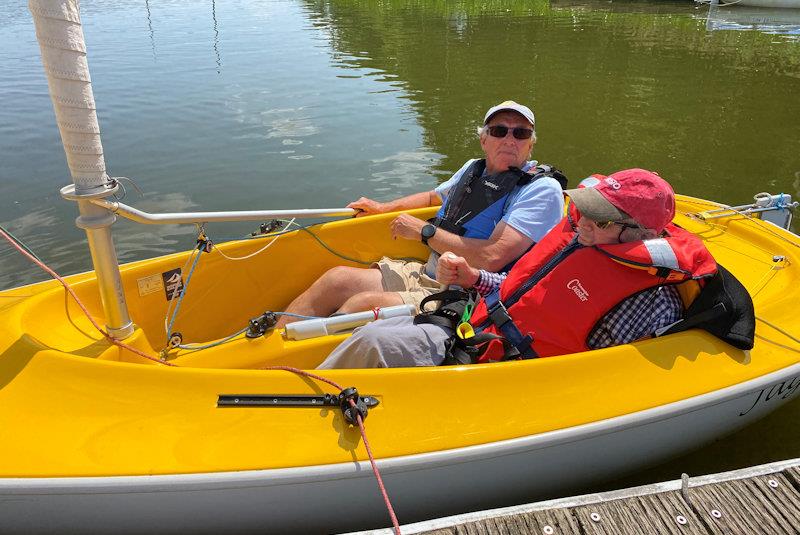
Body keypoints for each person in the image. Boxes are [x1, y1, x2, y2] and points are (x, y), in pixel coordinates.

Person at [316, 168, 717, 369]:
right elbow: (524, 284)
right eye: (587, 211)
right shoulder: (585, 240)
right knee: (373, 335)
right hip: (476, 328)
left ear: (638, 234)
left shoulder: (651, 299)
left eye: (601, 219)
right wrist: (476, 279)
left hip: (510, 368)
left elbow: (607, 372)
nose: (584, 223)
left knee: (375, 344)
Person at [276, 101, 566, 328]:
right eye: (500, 131)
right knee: (336, 280)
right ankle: (271, 345)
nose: (510, 139)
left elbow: (491, 257)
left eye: (521, 133)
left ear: (531, 143)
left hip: (469, 294)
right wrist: (382, 208)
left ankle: (298, 376)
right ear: (484, 139)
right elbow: (433, 197)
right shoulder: (473, 169)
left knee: (360, 305)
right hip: (429, 271)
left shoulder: (541, 190)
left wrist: (424, 232)